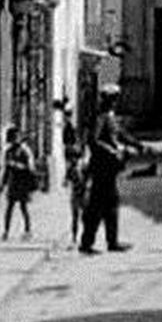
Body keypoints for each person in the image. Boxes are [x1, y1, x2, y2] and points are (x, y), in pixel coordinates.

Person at [79, 85, 143, 254]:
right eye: (113, 99)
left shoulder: (110, 116)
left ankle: (111, 241)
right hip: (101, 168)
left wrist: (137, 144)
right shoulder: (101, 117)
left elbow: (120, 134)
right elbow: (94, 140)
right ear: (107, 100)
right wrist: (114, 152)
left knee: (110, 204)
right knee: (97, 206)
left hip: (109, 169)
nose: (115, 102)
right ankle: (88, 243)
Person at [2, 126, 37, 239]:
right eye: (12, 138)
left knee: (23, 207)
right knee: (9, 207)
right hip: (13, 182)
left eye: (16, 137)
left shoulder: (25, 151)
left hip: (23, 182)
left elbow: (30, 168)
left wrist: (17, 165)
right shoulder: (8, 151)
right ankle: (6, 230)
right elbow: (7, 168)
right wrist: (3, 183)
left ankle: (28, 230)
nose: (14, 140)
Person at [60, 103, 87, 245]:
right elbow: (66, 181)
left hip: (82, 194)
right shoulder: (76, 167)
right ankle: (76, 238)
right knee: (77, 217)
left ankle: (80, 238)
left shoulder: (81, 166)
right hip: (78, 194)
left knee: (81, 216)